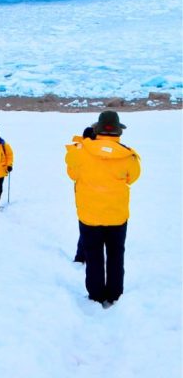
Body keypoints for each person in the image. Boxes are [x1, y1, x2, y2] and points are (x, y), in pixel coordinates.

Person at [65, 110, 140, 307]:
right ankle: (115, 295)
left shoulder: (82, 150)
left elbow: (72, 172)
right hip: (117, 216)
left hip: (89, 216)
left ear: (96, 129)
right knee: (116, 255)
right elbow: (133, 177)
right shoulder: (128, 155)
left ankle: (96, 295)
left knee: (93, 256)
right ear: (118, 132)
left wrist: (84, 141)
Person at [68, 127, 96, 262]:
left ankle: (81, 256)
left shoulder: (79, 150)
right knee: (88, 228)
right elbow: (73, 174)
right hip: (88, 195)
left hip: (85, 195)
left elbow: (72, 174)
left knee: (86, 228)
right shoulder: (83, 151)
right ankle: (81, 257)